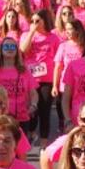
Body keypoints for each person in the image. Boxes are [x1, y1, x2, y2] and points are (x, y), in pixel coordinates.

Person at [0, 38, 37, 138]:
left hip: (21, 117)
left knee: (21, 150)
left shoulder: (24, 71)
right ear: (1, 50)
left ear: (17, 51)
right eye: (6, 46)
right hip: (0, 117)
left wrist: (33, 105)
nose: (10, 49)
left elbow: (33, 93)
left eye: (13, 46)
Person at [20, 9, 59, 143]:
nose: (35, 23)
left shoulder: (53, 37)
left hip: (46, 79)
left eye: (38, 21)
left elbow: (56, 59)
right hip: (30, 78)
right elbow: (23, 50)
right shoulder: (26, 34)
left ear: (44, 21)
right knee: (31, 110)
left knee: (44, 110)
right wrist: (31, 32)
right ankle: (30, 133)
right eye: (33, 21)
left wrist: (55, 82)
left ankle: (43, 142)